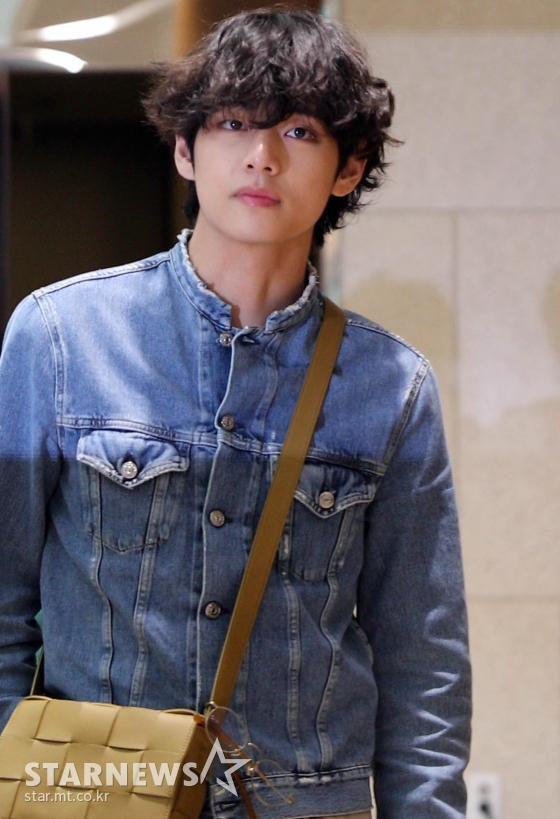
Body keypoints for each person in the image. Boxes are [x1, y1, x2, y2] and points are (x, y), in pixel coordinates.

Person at [0, 7, 471, 819]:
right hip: (100, 797)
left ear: (349, 169)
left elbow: (422, 662)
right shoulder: (59, 336)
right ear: (185, 150)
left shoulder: (391, 384)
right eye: (232, 123)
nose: (261, 155)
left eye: (299, 131)